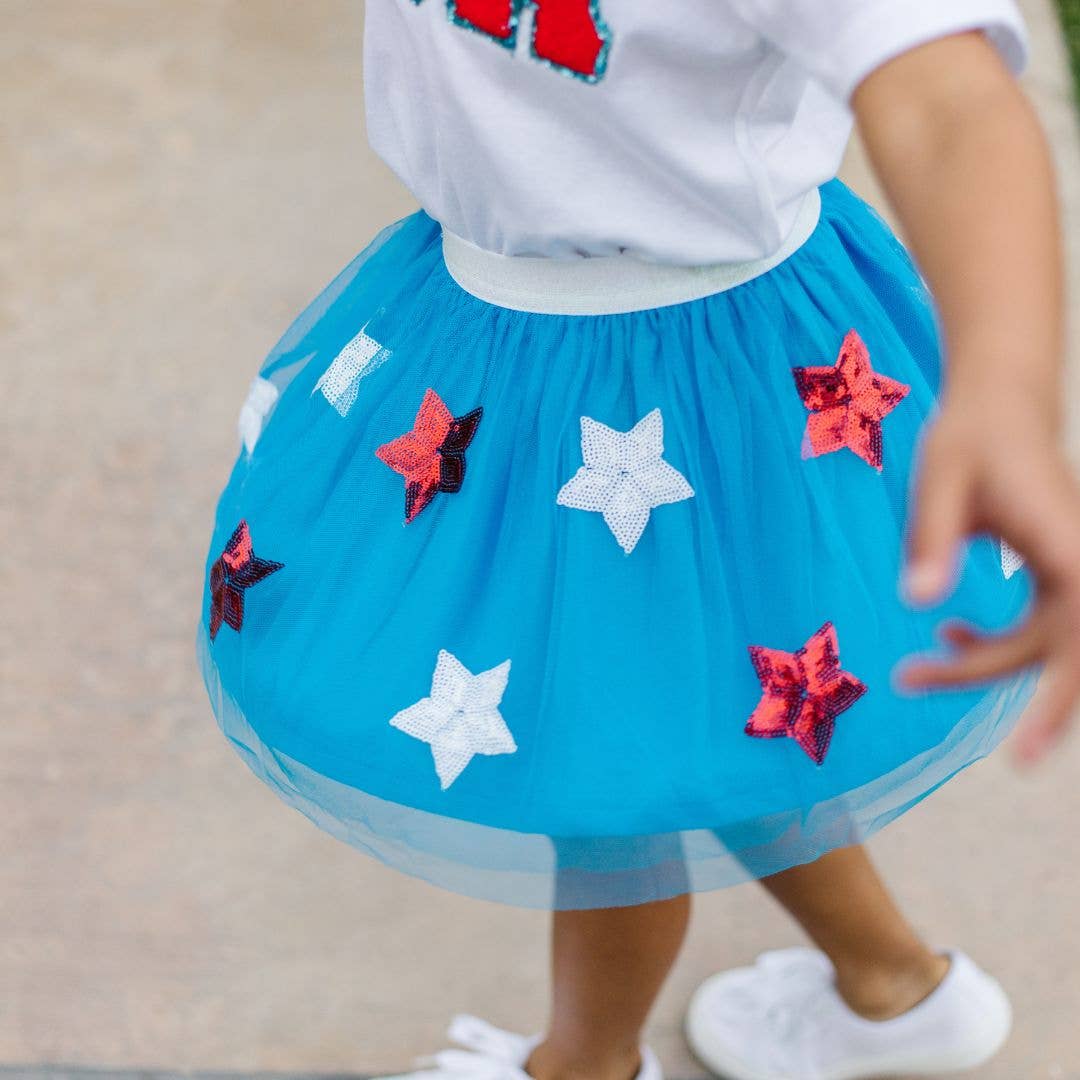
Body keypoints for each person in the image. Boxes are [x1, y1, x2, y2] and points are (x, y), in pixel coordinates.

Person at [198, 1, 1080, 1077]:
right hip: (493, 319)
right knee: (710, 708)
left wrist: (1008, 384)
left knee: (612, 751)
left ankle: (585, 1064)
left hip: (714, 370)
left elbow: (946, 98)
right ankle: (896, 986)